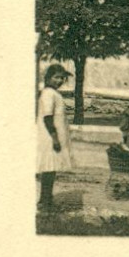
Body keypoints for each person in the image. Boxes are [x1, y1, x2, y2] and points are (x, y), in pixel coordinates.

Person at [36, 63, 74, 214]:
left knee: (51, 170)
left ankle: (47, 200)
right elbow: (47, 118)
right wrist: (54, 138)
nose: (59, 81)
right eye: (56, 77)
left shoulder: (54, 93)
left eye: (62, 78)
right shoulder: (48, 94)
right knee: (48, 169)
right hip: (49, 136)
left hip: (54, 136)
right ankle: (44, 202)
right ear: (48, 78)